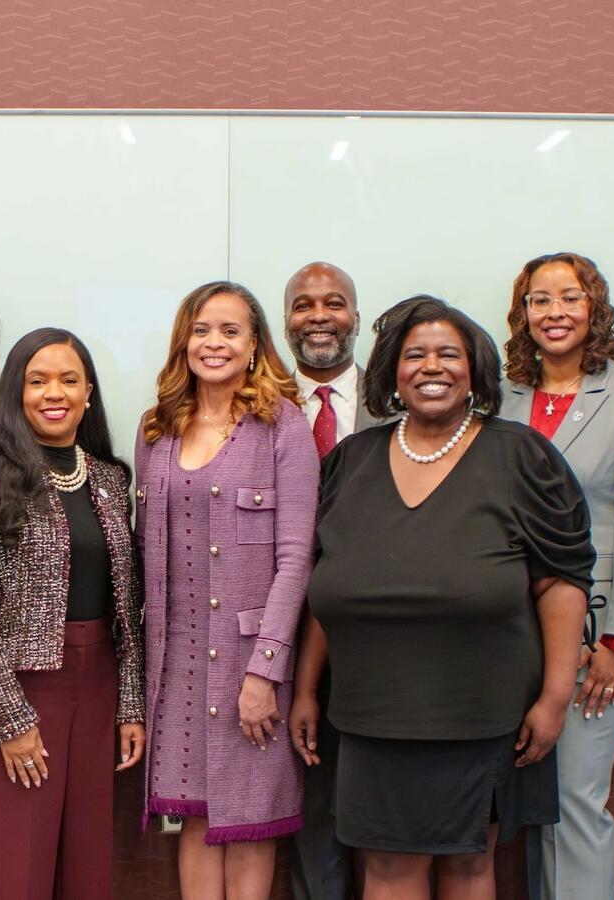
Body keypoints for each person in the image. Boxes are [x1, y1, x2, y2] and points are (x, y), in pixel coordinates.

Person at [304, 295, 593, 899]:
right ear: (392, 371)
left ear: (473, 369)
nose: (431, 367)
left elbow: (560, 582)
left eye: (447, 354)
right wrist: (305, 689)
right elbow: (329, 587)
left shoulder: (520, 455)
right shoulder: (350, 462)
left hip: (482, 713)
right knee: (385, 869)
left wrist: (556, 697)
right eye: (415, 355)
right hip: (371, 716)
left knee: (467, 864)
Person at [497, 252, 614, 899]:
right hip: (515, 634)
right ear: (522, 314)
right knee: (538, 808)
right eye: (539, 300)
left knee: (573, 801)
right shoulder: (502, 397)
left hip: (602, 640)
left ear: (594, 307)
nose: (555, 312)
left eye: (569, 298)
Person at [0, 327, 147, 899]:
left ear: (88, 394)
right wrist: (8, 720)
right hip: (21, 685)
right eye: (37, 381)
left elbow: (124, 605)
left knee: (89, 862)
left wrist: (129, 704)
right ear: (16, 393)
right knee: (18, 863)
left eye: (68, 379)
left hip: (99, 680)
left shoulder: (109, 478)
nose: (52, 392)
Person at [135, 280, 317, 900]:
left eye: (230, 331)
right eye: (202, 329)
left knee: (248, 822)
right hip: (175, 664)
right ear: (184, 339)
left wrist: (266, 672)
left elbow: (296, 559)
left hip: (248, 663)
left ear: (255, 344)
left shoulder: (282, 426)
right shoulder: (156, 428)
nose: (214, 343)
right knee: (194, 818)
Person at [279, 260, 377, 900]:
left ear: (357, 318)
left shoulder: (398, 398)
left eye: (334, 303)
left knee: (386, 807)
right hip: (280, 630)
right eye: (304, 305)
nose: (319, 316)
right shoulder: (252, 405)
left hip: (379, 634)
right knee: (309, 801)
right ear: (284, 321)